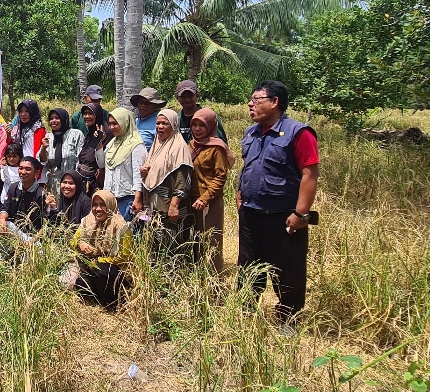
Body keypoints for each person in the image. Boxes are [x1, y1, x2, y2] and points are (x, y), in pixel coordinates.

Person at [236, 80, 319, 325]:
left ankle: (288, 319)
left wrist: (301, 213)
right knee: (248, 266)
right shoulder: (251, 132)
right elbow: (248, 167)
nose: (251, 104)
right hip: (251, 213)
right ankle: (244, 314)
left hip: (282, 216)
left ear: (274, 102)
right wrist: (240, 196)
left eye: (257, 99)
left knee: (287, 269)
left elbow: (309, 174)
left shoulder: (299, 133)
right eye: (250, 100)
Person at [133, 110, 194, 257]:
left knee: (171, 245)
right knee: (152, 242)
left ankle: (172, 278)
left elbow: (183, 179)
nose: (160, 127)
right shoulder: (157, 145)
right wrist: (143, 172)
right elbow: (152, 174)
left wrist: (174, 205)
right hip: (152, 204)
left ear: (173, 125)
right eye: (157, 123)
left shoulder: (179, 147)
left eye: (164, 123)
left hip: (169, 207)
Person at [59, 191, 133, 310]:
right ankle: (99, 297)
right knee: (80, 285)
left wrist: (99, 260)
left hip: (115, 272)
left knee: (102, 271)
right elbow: (73, 242)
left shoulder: (120, 226)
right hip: (91, 267)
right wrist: (80, 243)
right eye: (95, 205)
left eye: (103, 205)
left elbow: (125, 257)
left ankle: (114, 302)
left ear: (110, 205)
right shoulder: (88, 221)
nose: (98, 209)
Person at [189, 108, 234, 274]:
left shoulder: (216, 147)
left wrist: (205, 198)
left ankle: (214, 278)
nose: (197, 129)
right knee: (197, 238)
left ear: (210, 126)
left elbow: (220, 177)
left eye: (202, 125)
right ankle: (198, 275)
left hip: (209, 200)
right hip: (192, 198)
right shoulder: (191, 144)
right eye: (194, 124)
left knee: (212, 239)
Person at [101, 107, 147, 220]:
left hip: (127, 197)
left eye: (115, 124)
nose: (111, 127)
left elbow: (138, 175)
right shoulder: (112, 143)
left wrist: (137, 199)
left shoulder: (136, 145)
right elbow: (102, 164)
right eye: (110, 124)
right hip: (109, 197)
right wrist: (98, 145)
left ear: (125, 122)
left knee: (125, 233)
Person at [0, 156, 46, 244]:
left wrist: (32, 241)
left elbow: (47, 224)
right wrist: (2, 219)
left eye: (28, 169)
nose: (23, 172)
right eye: (21, 168)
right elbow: (5, 208)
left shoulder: (42, 194)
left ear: (37, 173)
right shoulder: (13, 187)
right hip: (14, 231)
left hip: (33, 237)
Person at [41, 108, 83, 189]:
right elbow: (43, 161)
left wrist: (75, 181)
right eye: (51, 118)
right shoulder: (48, 137)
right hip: (54, 183)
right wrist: (43, 148)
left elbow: (80, 159)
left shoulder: (76, 134)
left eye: (57, 118)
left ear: (64, 119)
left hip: (71, 183)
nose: (53, 121)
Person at [176, 80, 228, 144]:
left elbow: (221, 143)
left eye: (190, 96)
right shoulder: (175, 120)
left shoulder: (209, 118)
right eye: (183, 96)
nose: (187, 99)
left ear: (197, 96)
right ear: (177, 98)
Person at [76, 102, 108, 193]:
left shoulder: (105, 132)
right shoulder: (90, 133)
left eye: (90, 113)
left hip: (95, 183)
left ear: (97, 115)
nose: (86, 116)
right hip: (85, 180)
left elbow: (92, 158)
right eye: (85, 113)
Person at [11, 100, 46, 178]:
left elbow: (40, 150)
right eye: (21, 111)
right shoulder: (17, 128)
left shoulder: (39, 129)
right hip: (21, 167)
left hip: (33, 168)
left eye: (27, 111)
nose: (23, 114)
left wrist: (36, 169)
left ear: (32, 112)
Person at [131, 87, 166, 151]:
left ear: (155, 105)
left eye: (147, 103)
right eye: (141, 102)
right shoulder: (136, 120)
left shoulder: (159, 122)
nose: (143, 105)